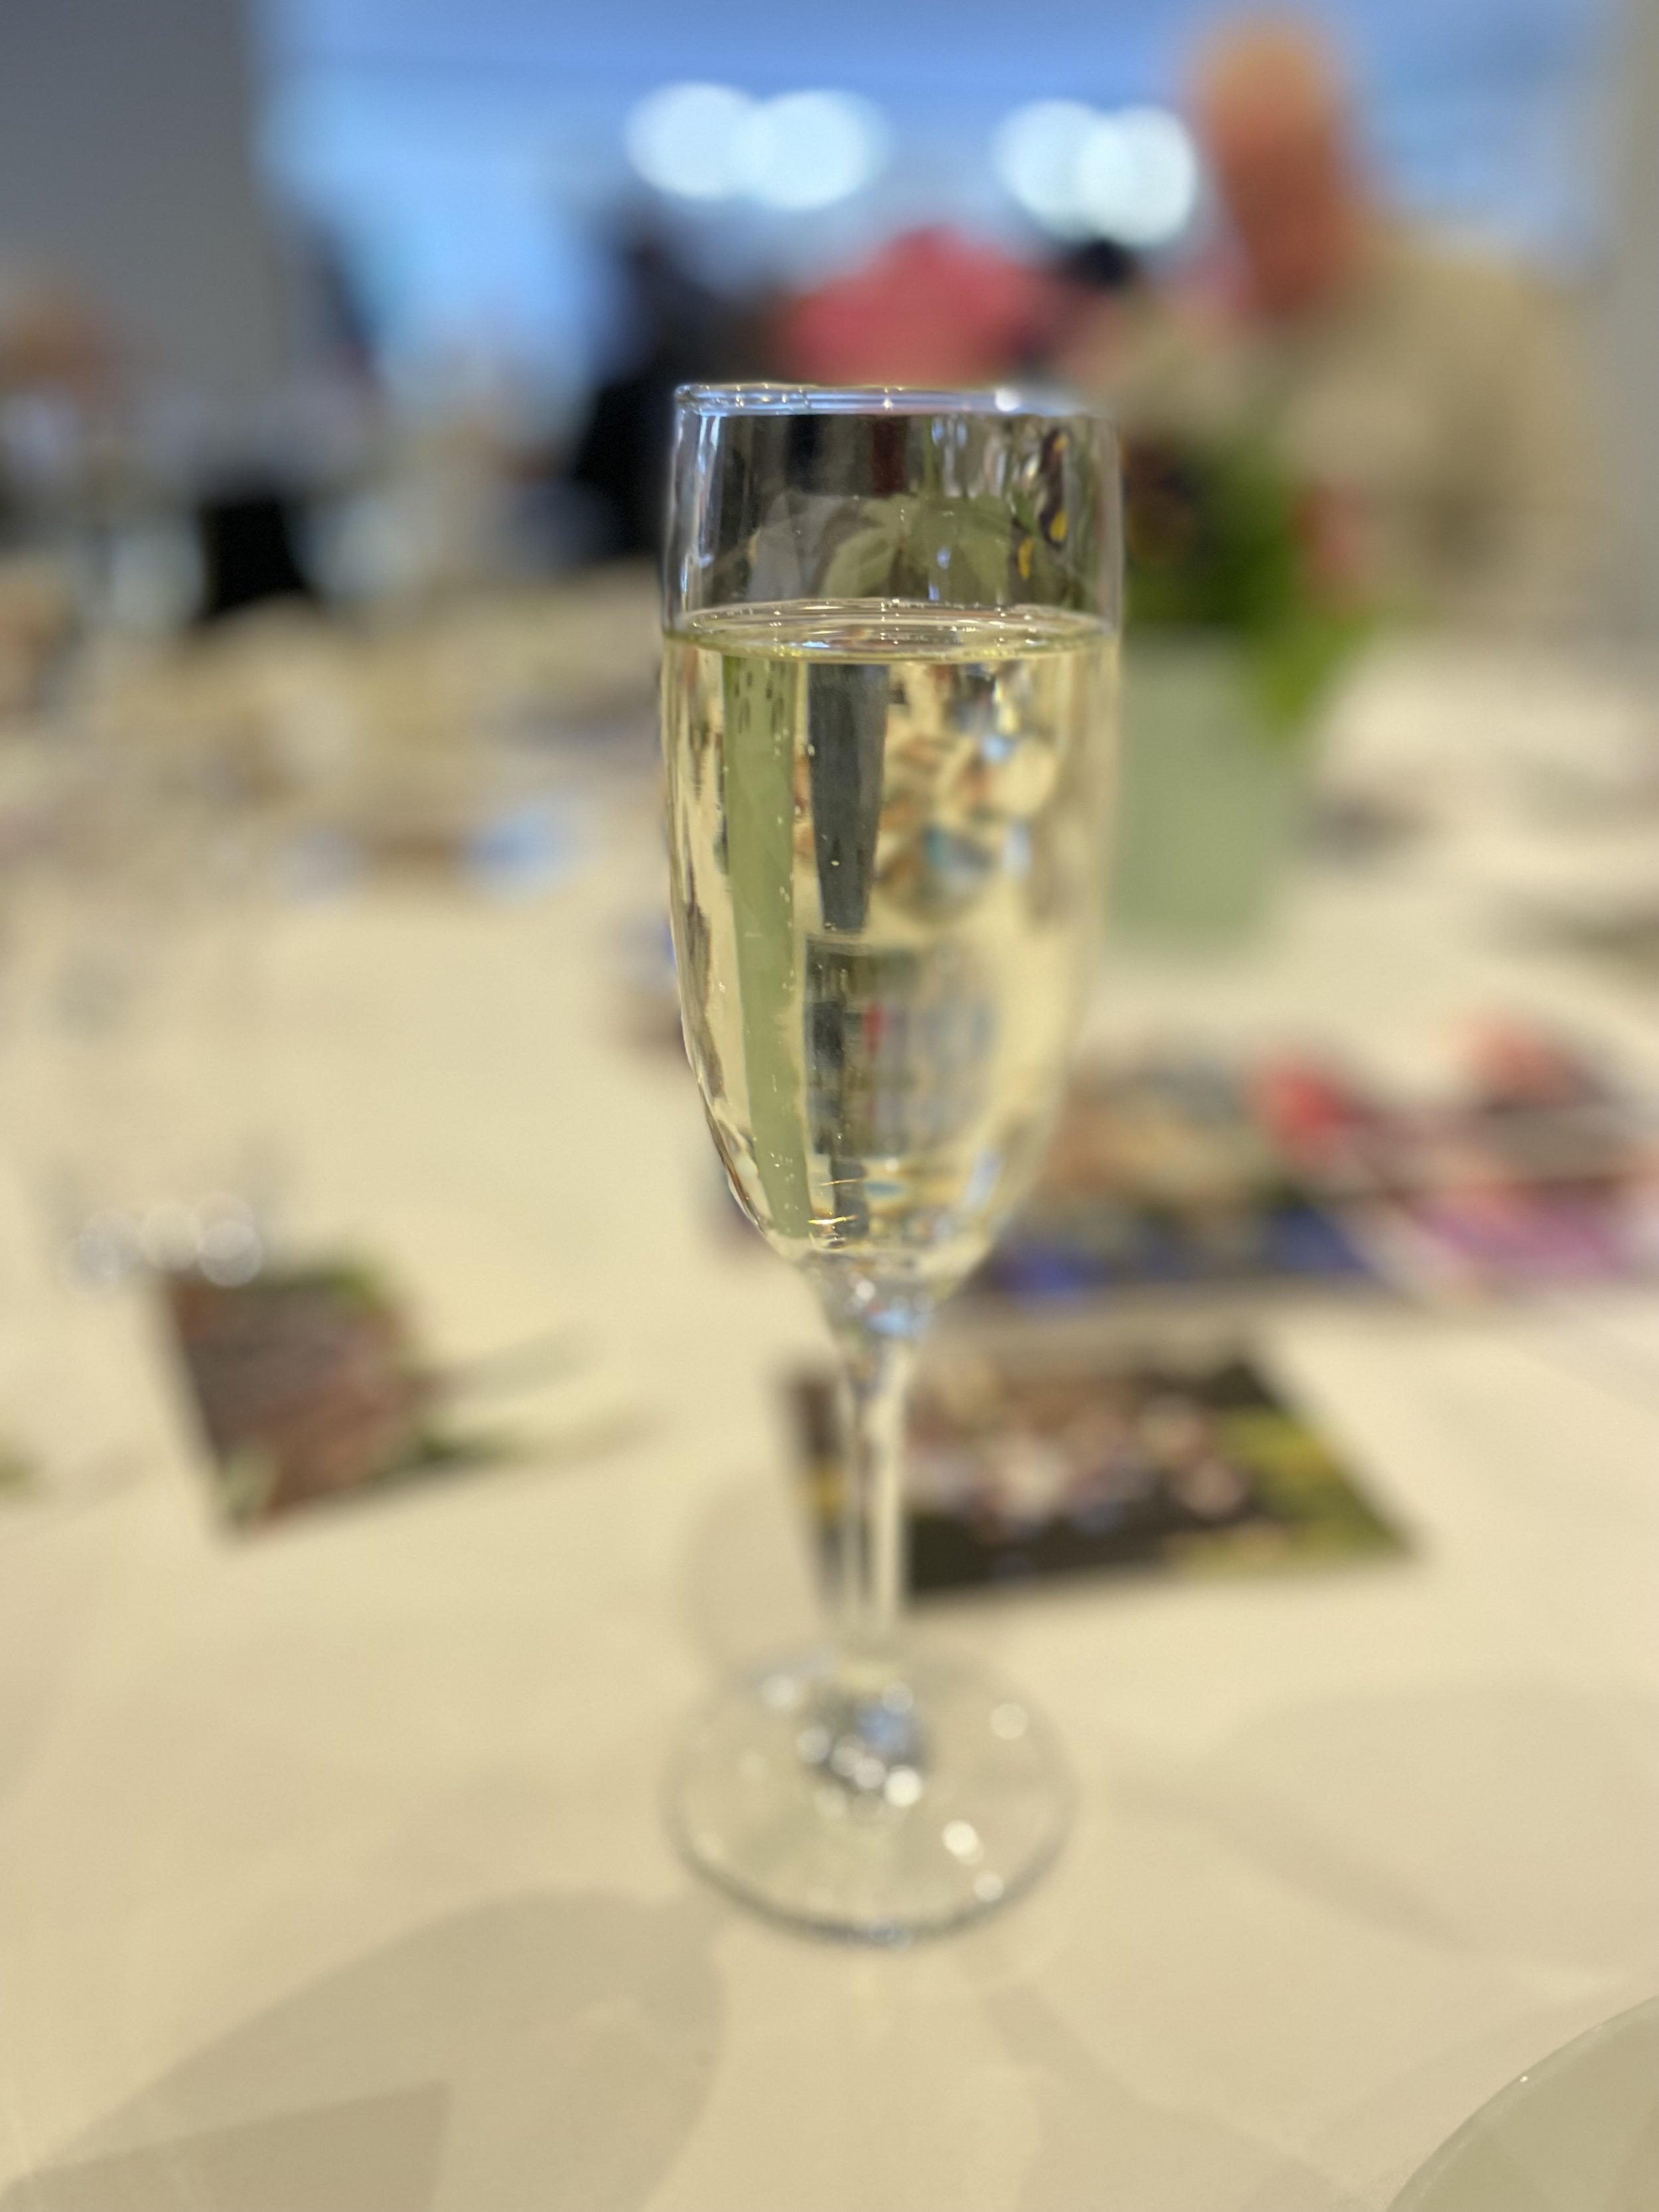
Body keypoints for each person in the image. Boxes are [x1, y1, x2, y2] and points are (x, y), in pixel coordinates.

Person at [1071, 18, 1601, 632]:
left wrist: (1390, 624)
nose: (1272, 226)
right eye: (1247, 196)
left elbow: (1562, 548)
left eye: (1292, 181)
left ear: (1350, 157)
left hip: (1446, 695)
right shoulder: (1167, 348)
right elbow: (1102, 559)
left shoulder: (1490, 310)